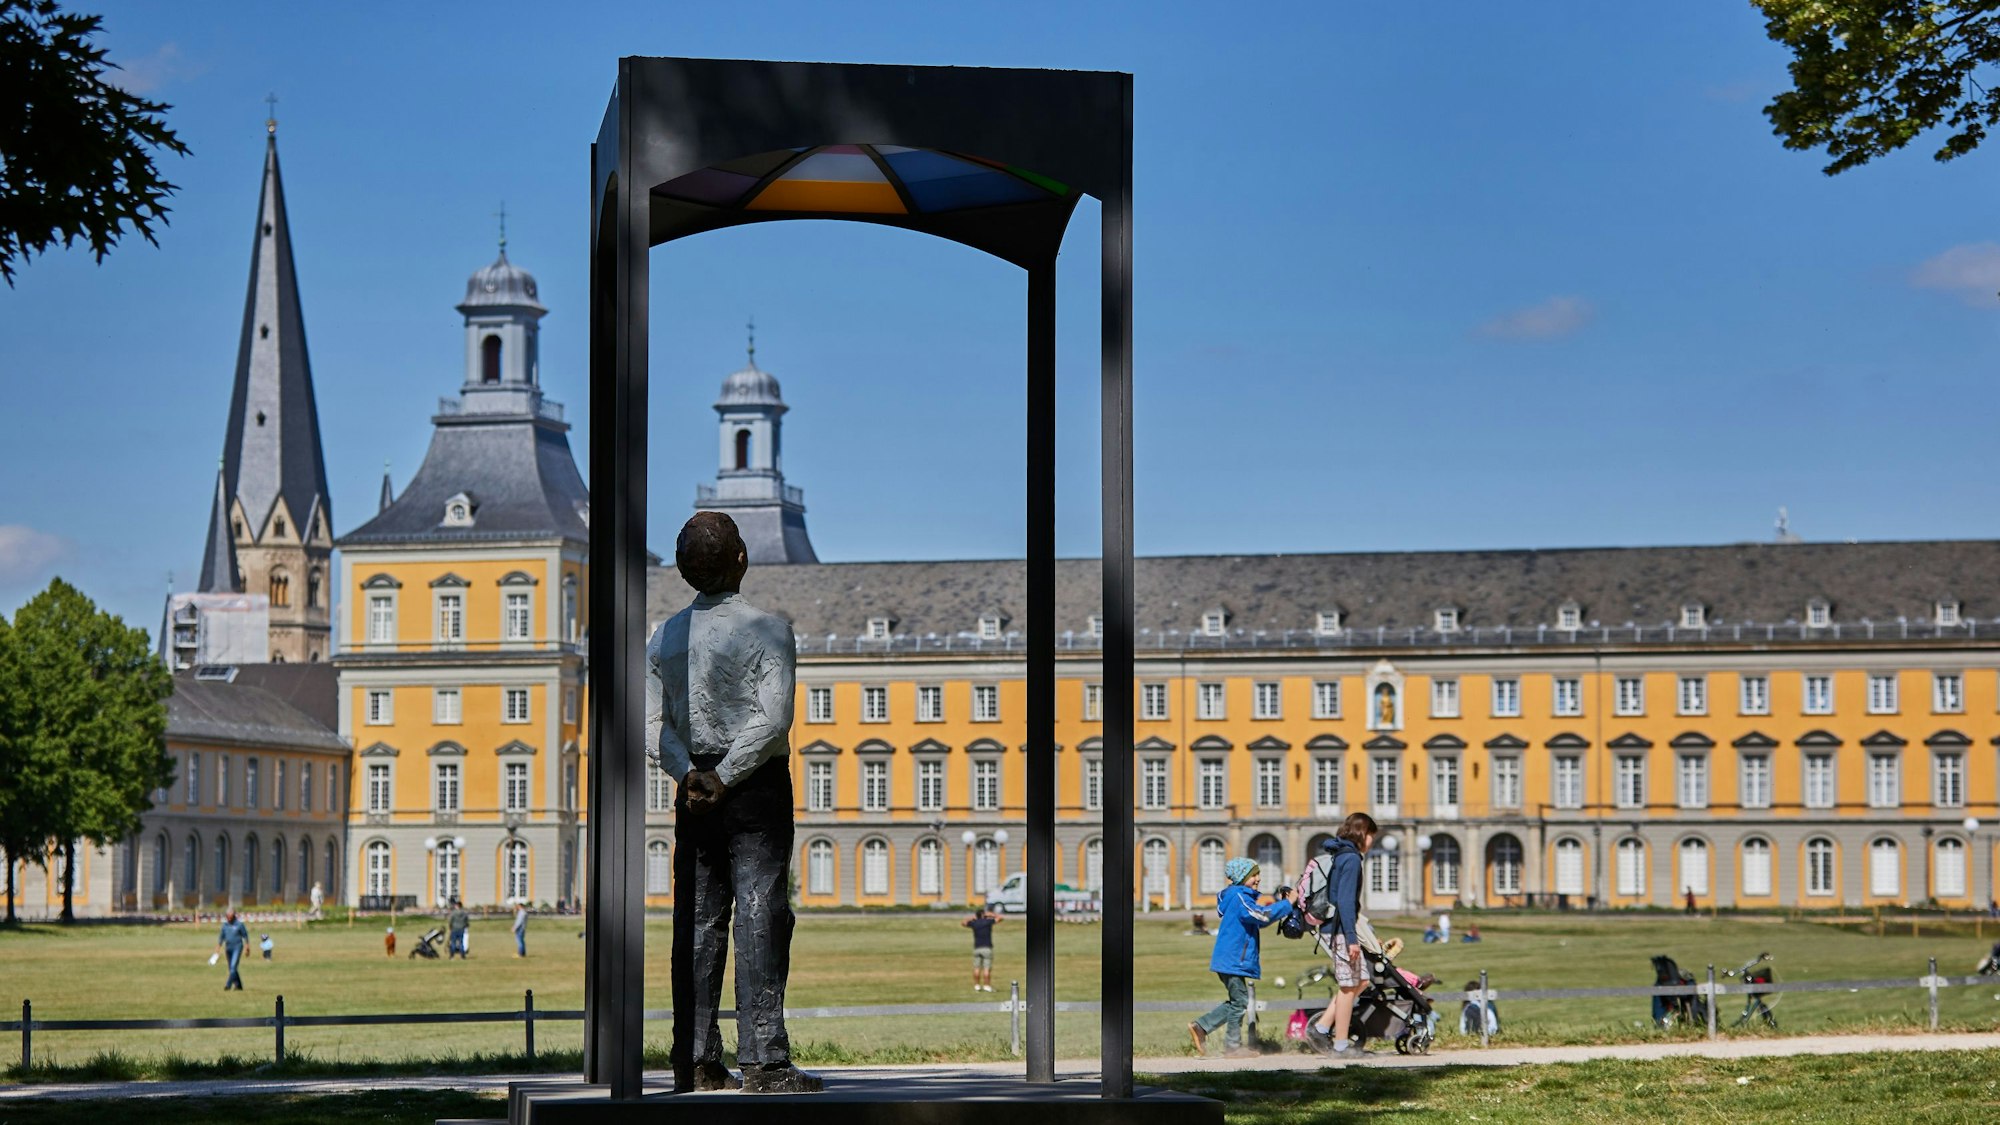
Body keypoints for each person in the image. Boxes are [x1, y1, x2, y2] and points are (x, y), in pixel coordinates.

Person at [647, 512, 823, 1094]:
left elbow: (651, 725)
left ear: (683, 570)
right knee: (761, 913)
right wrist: (725, 776)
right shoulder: (769, 630)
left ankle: (694, 1058)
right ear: (742, 559)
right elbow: (772, 720)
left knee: (696, 919)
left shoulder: (664, 638)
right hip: (754, 785)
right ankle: (765, 1060)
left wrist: (690, 774)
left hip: (693, 786)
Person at [1189, 858, 1294, 1059]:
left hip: (1229, 959)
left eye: (1258, 874)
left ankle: (1201, 1027)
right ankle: (1231, 1046)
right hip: (1233, 959)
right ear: (1241, 878)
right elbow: (1260, 916)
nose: (1258, 878)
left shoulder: (1236, 896)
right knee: (1240, 1002)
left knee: (1238, 1001)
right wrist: (1287, 905)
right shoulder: (1239, 897)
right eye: (1253, 875)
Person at [1306, 812, 1376, 1061]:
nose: (1372, 841)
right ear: (1363, 833)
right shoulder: (1351, 859)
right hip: (1339, 930)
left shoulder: (1341, 854)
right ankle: (1340, 1045)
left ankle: (1322, 1027)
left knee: (1361, 981)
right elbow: (1345, 901)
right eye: (1371, 835)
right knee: (1348, 986)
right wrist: (1352, 938)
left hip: (1335, 927)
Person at [963, 907, 1003, 992]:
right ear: (983, 915)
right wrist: (992, 914)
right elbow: (1000, 918)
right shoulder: (988, 922)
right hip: (987, 947)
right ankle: (986, 986)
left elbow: (963, 923)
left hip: (977, 947)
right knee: (986, 968)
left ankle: (977, 985)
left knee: (977, 968)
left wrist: (971, 918)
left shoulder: (974, 923)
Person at [215, 910, 250, 990]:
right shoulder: (225, 925)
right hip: (228, 948)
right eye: (227, 917)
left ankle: (228, 985)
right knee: (231, 968)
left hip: (237, 947)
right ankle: (238, 985)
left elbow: (245, 936)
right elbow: (222, 937)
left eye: (230, 917)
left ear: (234, 916)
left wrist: (247, 947)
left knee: (233, 966)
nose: (229, 919)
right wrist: (218, 946)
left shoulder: (239, 925)